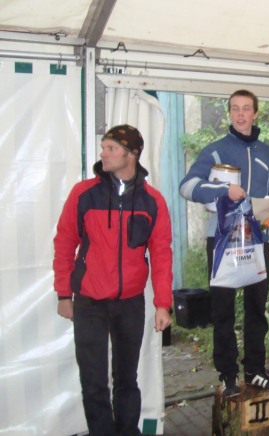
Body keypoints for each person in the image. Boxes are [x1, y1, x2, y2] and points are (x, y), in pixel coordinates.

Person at [53, 124, 173, 435]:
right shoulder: (84, 193)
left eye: (111, 148)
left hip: (130, 303)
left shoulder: (153, 201)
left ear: (131, 154)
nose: (103, 153)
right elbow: (65, 242)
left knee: (127, 380)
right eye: (104, 147)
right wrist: (64, 294)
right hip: (89, 302)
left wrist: (163, 304)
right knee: (93, 381)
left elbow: (161, 255)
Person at [179, 89, 269, 398]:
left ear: (255, 113)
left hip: (257, 242)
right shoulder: (214, 151)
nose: (240, 114)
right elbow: (187, 186)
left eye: (246, 109)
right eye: (235, 109)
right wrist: (224, 190)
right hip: (222, 241)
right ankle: (227, 374)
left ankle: (255, 370)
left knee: (257, 310)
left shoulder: (268, 154)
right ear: (229, 114)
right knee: (223, 311)